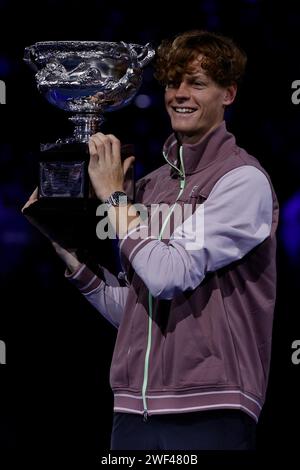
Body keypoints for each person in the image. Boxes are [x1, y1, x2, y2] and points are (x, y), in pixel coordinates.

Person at [23, 30, 279, 450]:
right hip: (132, 412)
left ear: (228, 94)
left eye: (197, 83)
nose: (180, 94)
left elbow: (167, 275)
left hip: (210, 410)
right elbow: (139, 308)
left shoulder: (241, 181)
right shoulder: (150, 187)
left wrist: (116, 199)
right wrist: (68, 251)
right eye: (173, 82)